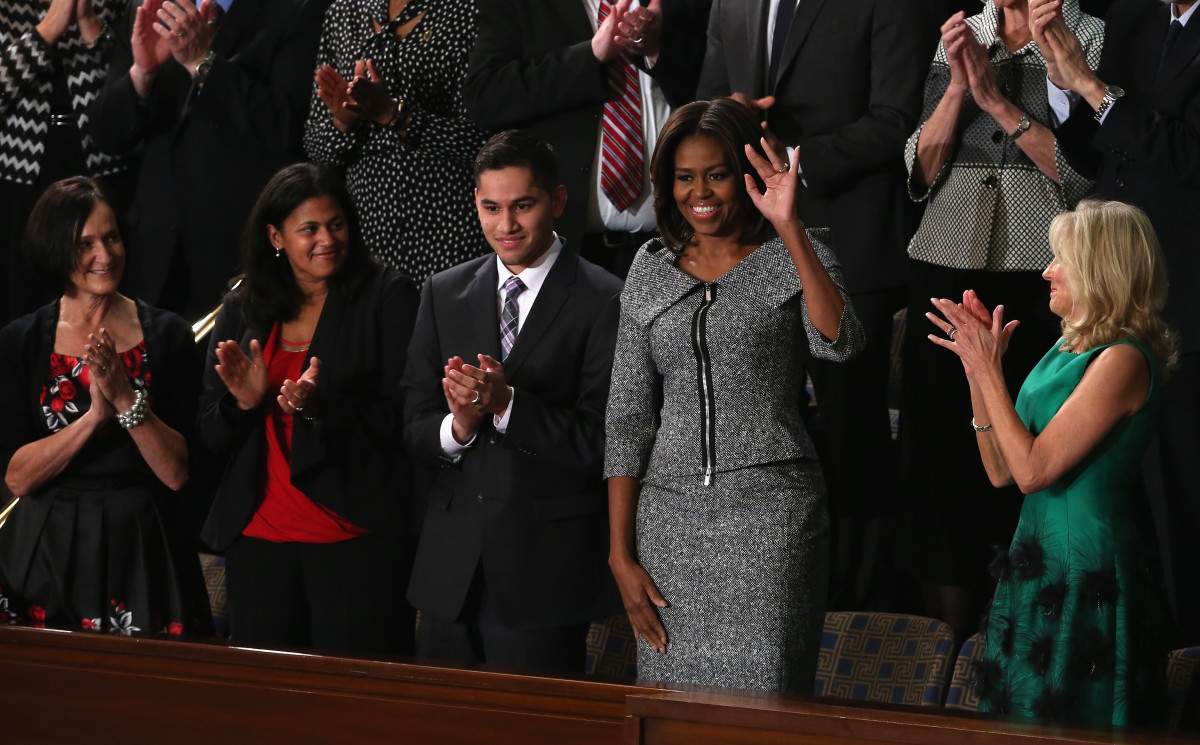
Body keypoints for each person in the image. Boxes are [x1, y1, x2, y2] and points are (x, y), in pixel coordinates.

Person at [605, 99, 864, 693]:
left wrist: (789, 224)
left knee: (765, 703)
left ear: (747, 175)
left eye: (717, 174)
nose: (701, 193)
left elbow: (842, 343)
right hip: (668, 522)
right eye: (684, 176)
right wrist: (621, 555)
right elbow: (625, 420)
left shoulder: (799, 253)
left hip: (773, 515)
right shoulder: (649, 269)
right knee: (672, 710)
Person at [696, 0, 924, 610]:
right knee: (755, 419)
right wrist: (728, 120)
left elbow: (897, 117)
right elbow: (705, 106)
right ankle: (764, 579)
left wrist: (790, 167)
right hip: (748, 246)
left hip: (847, 246)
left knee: (853, 434)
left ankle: (860, 600)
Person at [894, 0, 1104, 643]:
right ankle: (944, 648)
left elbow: (1088, 173)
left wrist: (1001, 104)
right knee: (939, 454)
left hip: (1042, 272)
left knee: (1025, 443)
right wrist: (959, 87)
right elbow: (920, 170)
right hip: (946, 260)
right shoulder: (964, 32)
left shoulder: (1087, 37)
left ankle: (1026, 632)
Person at [928, 199, 1174, 724]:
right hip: (1036, 561)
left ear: (1100, 269)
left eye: (1060, 259)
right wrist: (978, 371)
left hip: (1086, 568)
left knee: (1072, 717)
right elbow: (1001, 470)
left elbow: (1034, 471)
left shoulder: (1123, 359)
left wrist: (990, 370)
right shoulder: (1062, 350)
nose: (1046, 271)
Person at [402, 130, 623, 674]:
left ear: (558, 201)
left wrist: (507, 405)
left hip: (543, 575)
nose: (506, 226)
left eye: (523, 206)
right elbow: (411, 425)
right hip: (449, 574)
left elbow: (605, 441)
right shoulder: (442, 293)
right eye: (491, 207)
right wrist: (457, 427)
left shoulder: (606, 297)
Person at [1031, 0, 1200, 645]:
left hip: (1183, 285)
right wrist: (1061, 81)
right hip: (1112, 288)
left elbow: (1188, 154)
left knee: (1178, 482)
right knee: (1110, 486)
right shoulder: (1136, 20)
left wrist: (1094, 87)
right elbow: (1099, 152)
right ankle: (1124, 647)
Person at [198, 164, 419, 654]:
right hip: (259, 539)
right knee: (268, 714)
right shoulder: (243, 305)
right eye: (310, 229)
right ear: (276, 236)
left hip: (356, 537)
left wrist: (321, 408)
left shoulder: (387, 294)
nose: (327, 239)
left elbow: (407, 417)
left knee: (356, 712)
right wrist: (243, 403)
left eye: (336, 224)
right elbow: (211, 433)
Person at [0, 177, 208, 635]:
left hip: (142, 546)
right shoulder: (21, 341)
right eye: (86, 243)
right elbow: (17, 476)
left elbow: (177, 472)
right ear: (56, 249)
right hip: (45, 552)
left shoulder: (170, 335)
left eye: (112, 237)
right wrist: (95, 418)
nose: (105, 255)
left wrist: (125, 399)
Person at [89, 0, 330, 321]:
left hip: (236, 254)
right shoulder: (149, 6)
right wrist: (141, 74)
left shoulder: (300, 9)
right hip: (152, 252)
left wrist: (203, 62)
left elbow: (287, 128)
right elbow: (107, 136)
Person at [462, 0, 711, 279]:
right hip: (572, 249)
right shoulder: (521, 6)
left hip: (681, 243)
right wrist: (590, 56)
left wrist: (657, 49)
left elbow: (716, 87)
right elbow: (485, 97)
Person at [303, 0, 488, 283]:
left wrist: (392, 114)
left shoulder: (472, 9)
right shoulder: (343, 12)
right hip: (368, 235)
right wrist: (342, 121)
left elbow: (487, 144)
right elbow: (316, 150)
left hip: (452, 226)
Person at [0, 0, 134, 326]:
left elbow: (130, 82)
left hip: (101, 166)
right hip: (21, 174)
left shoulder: (114, 5)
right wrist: (49, 28)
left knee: (101, 290)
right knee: (22, 294)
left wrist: (88, 23)